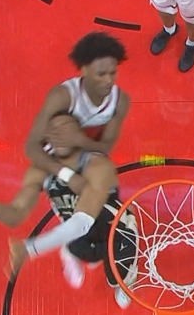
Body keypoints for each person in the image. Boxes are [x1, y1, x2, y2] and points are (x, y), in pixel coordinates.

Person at [0, 114, 138, 309]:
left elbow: (82, 222)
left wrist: (30, 249)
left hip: (113, 228)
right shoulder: (40, 171)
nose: (60, 134)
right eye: (54, 129)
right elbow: (18, 210)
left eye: (67, 127)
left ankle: (126, 276)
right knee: (78, 247)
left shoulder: (97, 165)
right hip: (79, 232)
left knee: (116, 277)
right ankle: (75, 250)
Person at [24, 31, 132, 198]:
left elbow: (106, 147)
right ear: (84, 70)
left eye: (113, 73)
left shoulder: (120, 101)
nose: (109, 80)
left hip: (87, 159)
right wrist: (67, 175)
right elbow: (32, 146)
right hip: (54, 162)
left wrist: (79, 140)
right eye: (101, 74)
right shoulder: (62, 96)